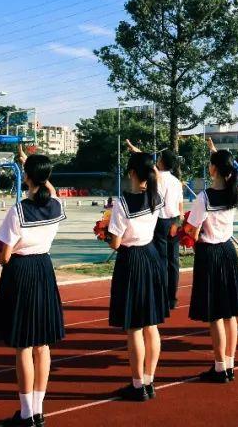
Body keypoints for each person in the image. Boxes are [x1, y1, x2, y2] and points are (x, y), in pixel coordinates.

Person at [0, 154, 67, 427]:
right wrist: (37, 169)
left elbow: (5, 255)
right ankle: (38, 410)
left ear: (27, 177)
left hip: (21, 272)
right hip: (44, 269)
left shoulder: (18, 210)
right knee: (42, 345)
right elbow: (52, 191)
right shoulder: (56, 206)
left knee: (23, 345)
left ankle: (25, 414)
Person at [105, 151, 167, 402]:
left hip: (131, 260)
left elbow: (116, 243)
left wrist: (106, 233)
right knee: (151, 324)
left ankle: (137, 384)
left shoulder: (122, 203)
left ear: (131, 173)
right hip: (151, 256)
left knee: (134, 327)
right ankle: (149, 380)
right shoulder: (156, 196)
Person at [184, 139, 238, 383]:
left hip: (210, 253)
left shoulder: (204, 197)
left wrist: (183, 230)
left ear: (214, 169)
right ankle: (229, 363)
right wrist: (215, 151)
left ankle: (220, 367)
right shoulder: (234, 193)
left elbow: (193, 232)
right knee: (230, 313)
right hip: (229, 252)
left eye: (211, 163)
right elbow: (229, 167)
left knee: (215, 314)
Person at [126, 139, 183, 311]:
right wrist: (178, 222)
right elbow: (180, 205)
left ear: (161, 162)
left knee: (160, 260)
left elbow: (145, 162)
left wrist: (134, 149)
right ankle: (172, 298)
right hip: (175, 221)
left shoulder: (158, 178)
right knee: (173, 261)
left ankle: (161, 297)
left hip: (161, 222)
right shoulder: (176, 181)